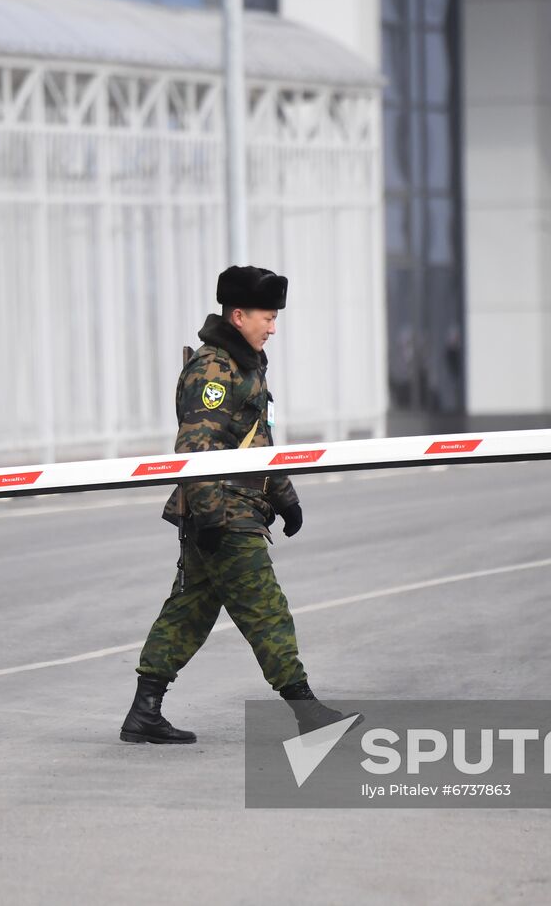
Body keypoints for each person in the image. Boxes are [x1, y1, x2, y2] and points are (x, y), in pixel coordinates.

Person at [120, 265, 360, 743]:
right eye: (267, 317)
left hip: (235, 506)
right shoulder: (214, 369)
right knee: (266, 609)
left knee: (189, 610)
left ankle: (144, 712)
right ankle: (305, 710)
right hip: (224, 513)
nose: (273, 327)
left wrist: (285, 497)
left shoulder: (246, 365)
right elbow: (197, 447)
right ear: (238, 315)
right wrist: (210, 514)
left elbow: (257, 444)